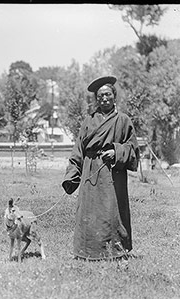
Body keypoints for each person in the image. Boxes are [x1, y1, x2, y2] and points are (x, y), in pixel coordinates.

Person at [62, 76, 140, 260]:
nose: (104, 99)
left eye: (108, 95)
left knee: (112, 212)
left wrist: (116, 151)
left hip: (113, 174)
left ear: (114, 97)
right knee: (89, 211)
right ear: (97, 99)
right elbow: (78, 149)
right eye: (100, 96)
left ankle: (115, 250)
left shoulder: (123, 120)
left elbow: (133, 149)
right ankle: (87, 251)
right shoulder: (89, 121)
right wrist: (72, 175)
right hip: (90, 172)